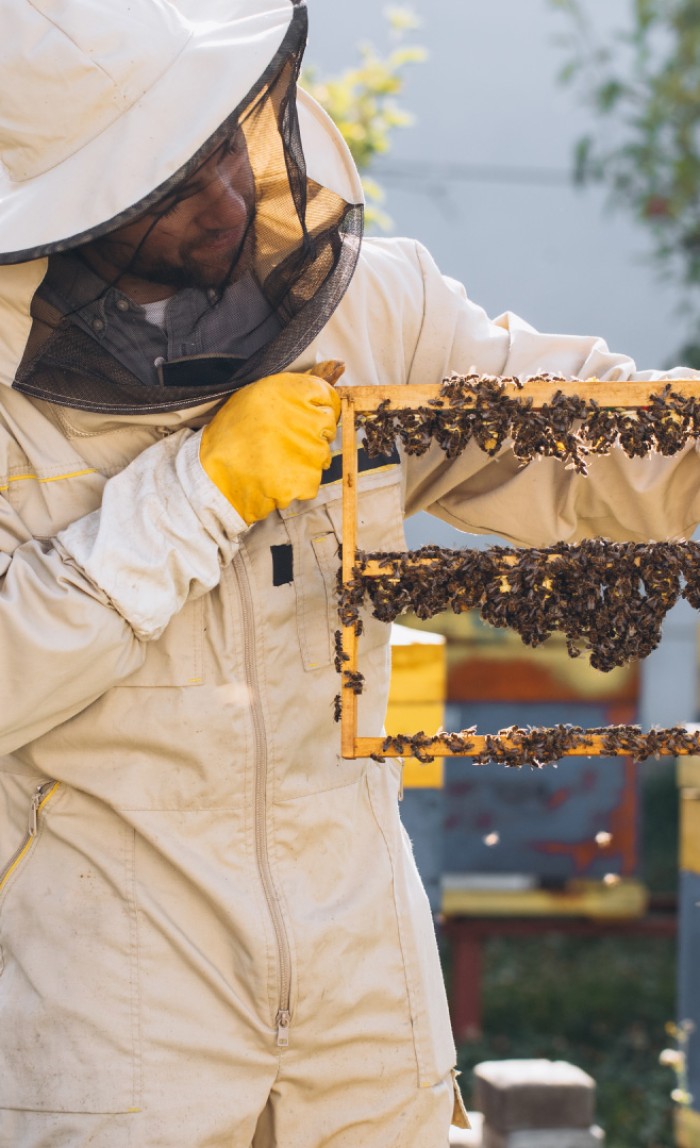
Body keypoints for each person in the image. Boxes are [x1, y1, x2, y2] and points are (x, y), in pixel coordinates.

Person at [1, 1, 700, 1145]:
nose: (227, 200)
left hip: (365, 997)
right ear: (78, 211)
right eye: (174, 189)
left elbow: (577, 437)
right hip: (115, 1015)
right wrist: (198, 494)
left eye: (228, 144)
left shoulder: (373, 307)